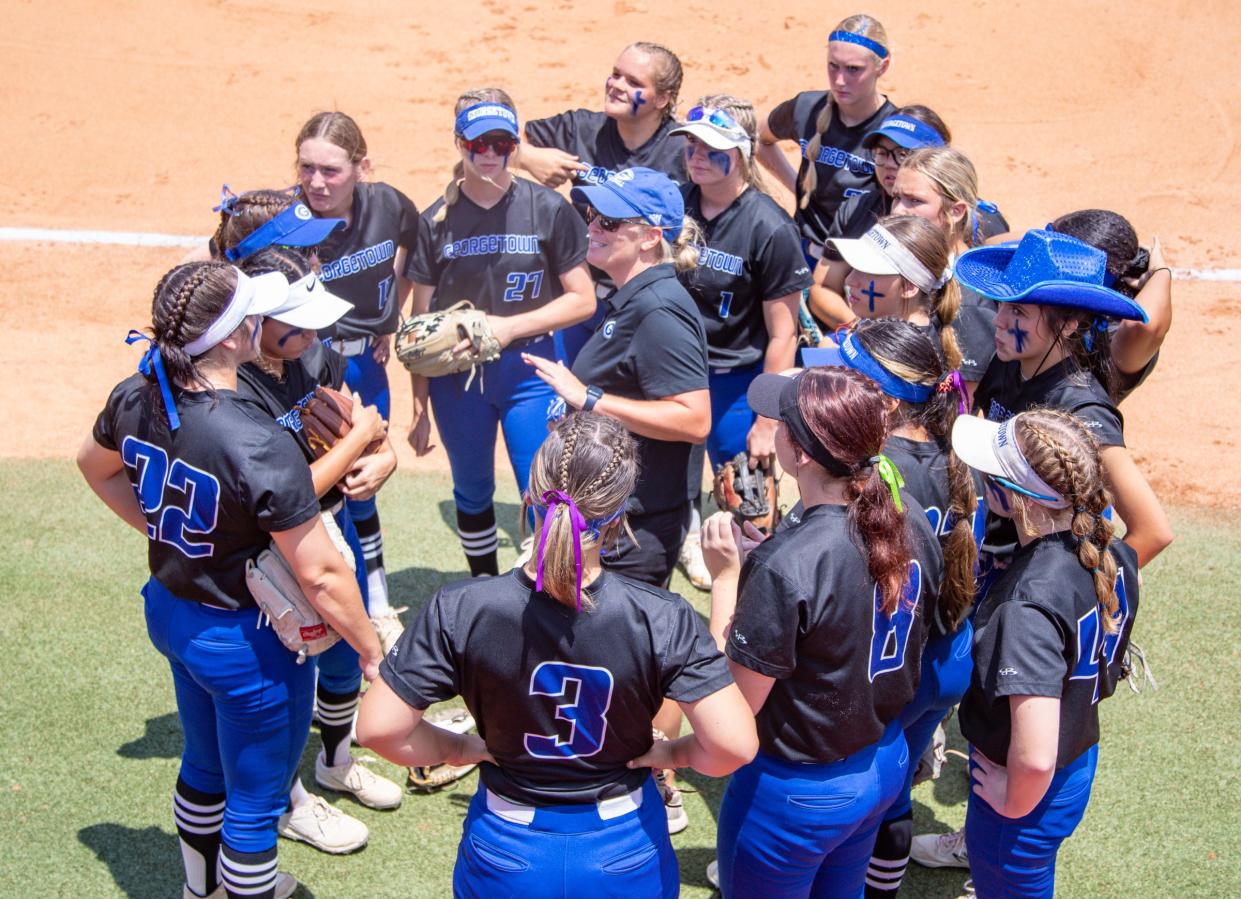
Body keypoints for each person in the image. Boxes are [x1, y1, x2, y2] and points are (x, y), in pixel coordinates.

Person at [356, 412, 758, 899]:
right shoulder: (662, 616)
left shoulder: (460, 608)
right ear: (621, 512)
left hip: (507, 846)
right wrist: (671, 753)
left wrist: (460, 748)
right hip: (622, 846)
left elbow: (378, 729)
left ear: (532, 492)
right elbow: (733, 746)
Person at [77, 261, 383, 899]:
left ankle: (199, 890)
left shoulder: (136, 392)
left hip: (171, 612)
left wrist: (171, 534)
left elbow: (94, 466)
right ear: (235, 334)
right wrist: (371, 648)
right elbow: (322, 573)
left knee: (203, 764)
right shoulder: (254, 438)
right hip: (246, 641)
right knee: (256, 796)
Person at [700, 366, 944, 898]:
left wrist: (726, 580)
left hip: (797, 796)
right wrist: (763, 568)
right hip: (883, 762)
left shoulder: (788, 563)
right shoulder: (911, 520)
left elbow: (734, 712)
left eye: (781, 420)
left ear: (800, 453)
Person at [236, 247, 402, 853]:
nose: (312, 335)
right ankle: (286, 801)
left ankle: (334, 760)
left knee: (338, 667)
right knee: (284, 679)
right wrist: (356, 438)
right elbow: (284, 494)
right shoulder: (232, 387)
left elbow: (370, 426)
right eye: (297, 323)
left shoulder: (313, 354)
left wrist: (381, 452)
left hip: (332, 532)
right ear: (255, 321)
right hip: (273, 551)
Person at [948, 409, 1141, 898]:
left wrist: (1011, 803)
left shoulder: (1026, 604)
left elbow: (1034, 756)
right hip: (1076, 763)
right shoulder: (1110, 552)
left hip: (1028, 793)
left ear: (1020, 498)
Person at [820, 321, 981, 898]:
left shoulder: (879, 472)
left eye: (846, 375)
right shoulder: (958, 453)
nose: (831, 383)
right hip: (947, 656)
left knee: (872, 799)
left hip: (895, 665)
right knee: (894, 789)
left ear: (884, 403)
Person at [405, 88, 594, 576]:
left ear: (515, 144)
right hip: (457, 380)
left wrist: (510, 328)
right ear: (457, 142)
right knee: (471, 487)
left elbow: (583, 298)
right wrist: (419, 408)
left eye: (501, 143)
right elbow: (419, 330)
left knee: (545, 487)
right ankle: (483, 588)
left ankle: (541, 589)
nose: (488, 154)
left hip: (530, 372)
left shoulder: (549, 210)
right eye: (476, 144)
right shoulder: (434, 222)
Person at [524, 166, 710, 589]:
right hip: (610, 518)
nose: (592, 227)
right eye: (591, 215)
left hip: (633, 530)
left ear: (649, 237)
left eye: (608, 222)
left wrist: (589, 399)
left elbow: (695, 420)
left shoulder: (660, 310)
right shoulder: (634, 299)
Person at [957, 228, 1173, 569]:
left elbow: (1153, 531)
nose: (998, 320)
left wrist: (1076, 589)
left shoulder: (1082, 411)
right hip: (992, 560)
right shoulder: (1006, 362)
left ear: (1069, 323)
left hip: (1028, 585)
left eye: (1019, 312)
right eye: (1002, 304)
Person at [668, 94, 811, 590]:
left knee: (748, 501)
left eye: (711, 149)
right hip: (673, 376)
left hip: (734, 385)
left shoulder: (769, 226)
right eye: (689, 146)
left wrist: (766, 419)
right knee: (663, 483)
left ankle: (758, 598)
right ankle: (686, 543)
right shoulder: (674, 206)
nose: (697, 157)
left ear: (742, 153)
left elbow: (783, 331)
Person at [295, 111, 421, 650]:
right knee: (314, 491)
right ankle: (311, 602)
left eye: (331, 171)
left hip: (367, 368)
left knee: (364, 488)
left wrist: (387, 317)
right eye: (306, 168)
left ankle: (374, 602)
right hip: (305, 375)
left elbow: (415, 249)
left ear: (361, 167)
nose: (317, 183)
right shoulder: (288, 223)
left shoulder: (389, 205)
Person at [520, 41, 688, 363]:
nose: (617, 86)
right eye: (615, 74)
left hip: (648, 305)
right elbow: (505, 142)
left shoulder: (681, 148)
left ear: (663, 99)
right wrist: (527, 157)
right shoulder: (583, 128)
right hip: (586, 297)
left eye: (634, 82)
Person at [808, 106, 1009, 328]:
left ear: (956, 212)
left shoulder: (977, 297)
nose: (897, 211)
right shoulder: (859, 209)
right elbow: (822, 287)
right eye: (896, 198)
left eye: (915, 201)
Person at [757, 14, 896, 264]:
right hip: (802, 258)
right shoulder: (806, 108)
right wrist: (797, 186)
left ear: (882, 67)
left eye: (854, 69)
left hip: (862, 268)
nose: (840, 80)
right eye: (833, 65)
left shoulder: (896, 131)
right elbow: (758, 136)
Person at [1049, 209, 1173, 402]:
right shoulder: (1043, 300)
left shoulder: (1114, 337)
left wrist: (1161, 272)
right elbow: (991, 243)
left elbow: (1144, 324)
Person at [826, 215, 963, 372]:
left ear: (909, 287)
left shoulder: (902, 360)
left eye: (866, 270)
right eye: (853, 268)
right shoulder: (881, 335)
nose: (849, 280)